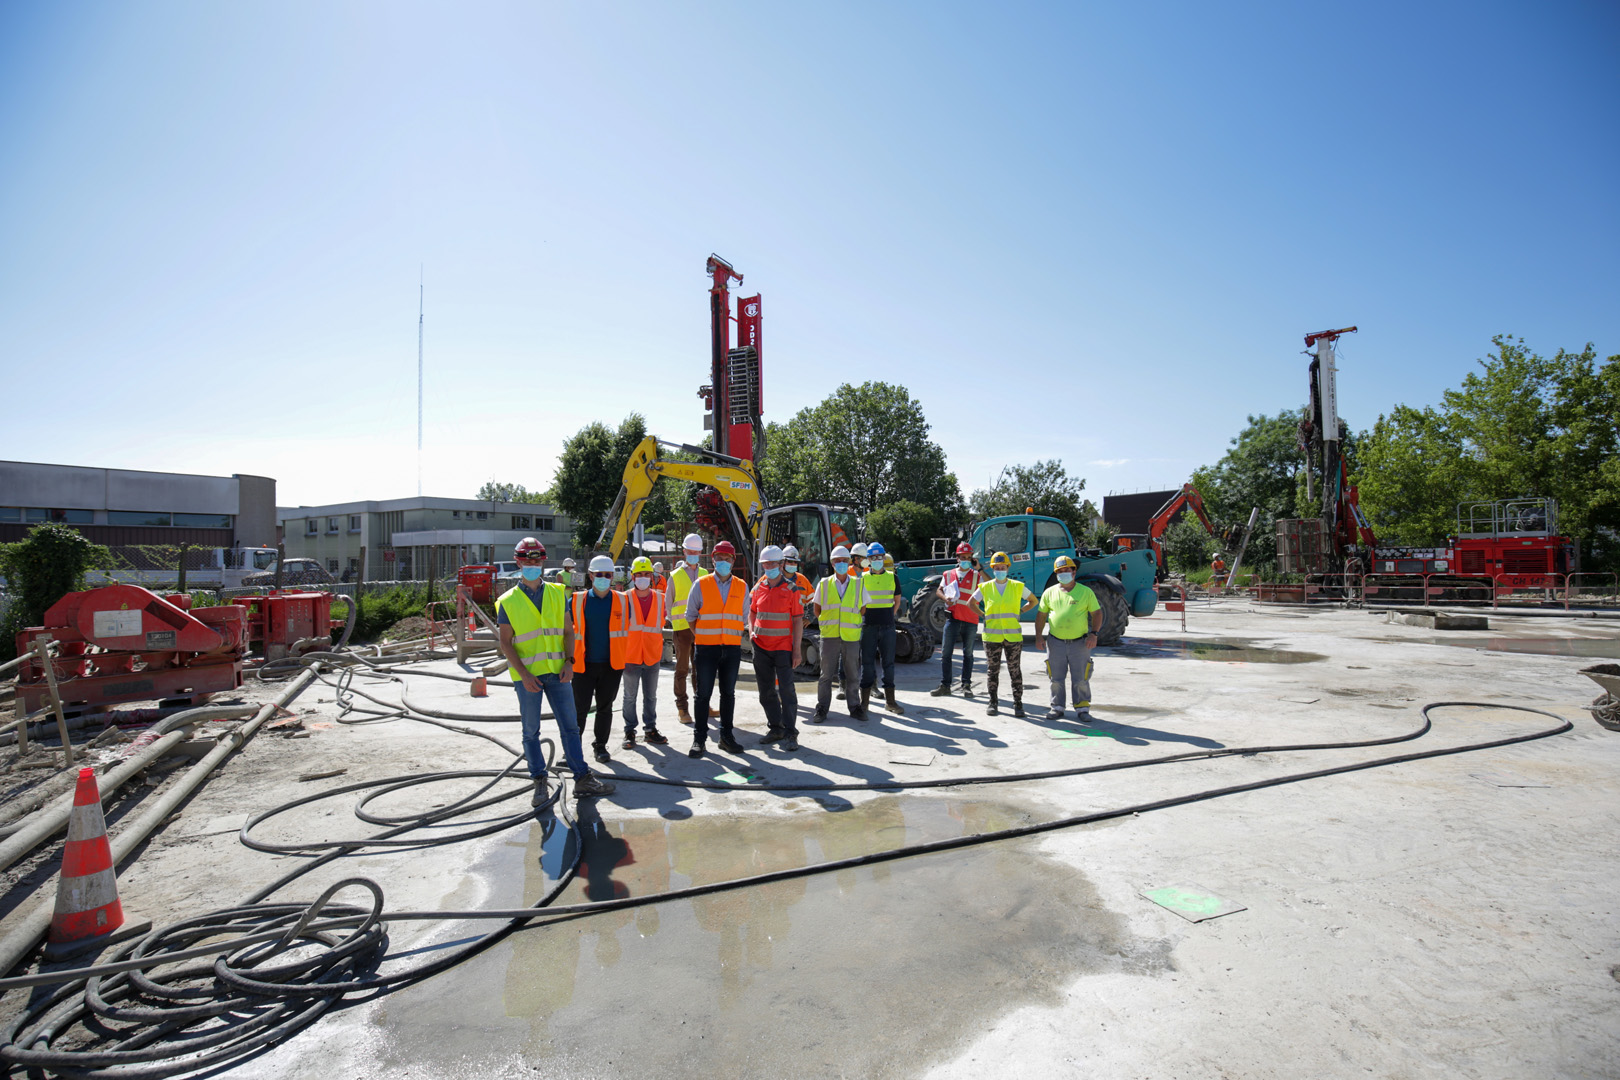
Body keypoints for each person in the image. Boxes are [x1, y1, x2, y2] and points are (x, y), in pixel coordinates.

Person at [494, 538, 614, 802]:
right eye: (527, 561)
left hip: (558, 672)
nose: (532, 565)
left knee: (570, 727)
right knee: (530, 731)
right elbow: (505, 642)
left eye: (536, 561)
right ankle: (539, 780)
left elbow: (569, 632)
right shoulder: (508, 601)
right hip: (528, 677)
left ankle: (581, 777)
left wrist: (570, 662)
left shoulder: (557, 593)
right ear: (518, 562)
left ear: (543, 561)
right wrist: (524, 675)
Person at [685, 539, 746, 757]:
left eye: (726, 558)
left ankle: (726, 737)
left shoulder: (741, 586)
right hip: (706, 649)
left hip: (731, 649)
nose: (722, 561)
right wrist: (702, 636)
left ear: (733, 560)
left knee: (728, 694)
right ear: (712, 560)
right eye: (718, 558)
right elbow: (690, 616)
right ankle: (699, 739)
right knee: (703, 695)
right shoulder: (701, 584)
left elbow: (744, 618)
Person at [572, 554, 631, 764]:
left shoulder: (623, 601)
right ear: (590, 575)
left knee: (605, 707)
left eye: (608, 574)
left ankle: (600, 746)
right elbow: (567, 633)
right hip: (582, 665)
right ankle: (572, 750)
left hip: (611, 665)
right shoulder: (577, 600)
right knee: (579, 710)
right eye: (599, 575)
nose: (604, 578)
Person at [747, 544, 804, 751]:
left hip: (783, 648)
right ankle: (776, 728)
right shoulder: (759, 586)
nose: (769, 566)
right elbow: (752, 612)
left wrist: (796, 650)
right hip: (761, 647)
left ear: (781, 564)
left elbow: (798, 621)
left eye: (773, 563)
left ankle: (790, 733)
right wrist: (751, 631)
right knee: (766, 691)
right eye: (765, 564)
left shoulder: (791, 589)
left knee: (787, 691)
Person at [1033, 555, 1103, 722]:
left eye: (1066, 570)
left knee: (1081, 679)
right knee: (1056, 679)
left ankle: (1082, 708)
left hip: (1080, 643)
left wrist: (1094, 634)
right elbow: (1041, 616)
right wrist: (1038, 637)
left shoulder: (1086, 592)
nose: (1063, 573)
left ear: (1074, 571)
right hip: (1055, 642)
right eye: (1059, 571)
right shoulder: (1049, 593)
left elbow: (1097, 613)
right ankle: (1057, 707)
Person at [972, 551, 1037, 718]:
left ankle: (1018, 703)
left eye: (1003, 567)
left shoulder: (1017, 586)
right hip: (992, 637)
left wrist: (1021, 610)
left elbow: (1033, 601)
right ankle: (993, 702)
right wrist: (982, 614)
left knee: (1014, 670)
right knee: (992, 671)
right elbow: (970, 602)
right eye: (997, 567)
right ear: (993, 569)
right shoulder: (986, 587)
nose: (1000, 570)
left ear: (1008, 567)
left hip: (1013, 637)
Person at [621, 556, 670, 749]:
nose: (642, 578)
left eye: (646, 574)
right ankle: (629, 731)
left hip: (651, 654)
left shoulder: (660, 598)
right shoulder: (624, 598)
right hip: (630, 655)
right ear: (633, 577)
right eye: (639, 574)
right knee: (629, 696)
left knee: (651, 696)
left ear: (651, 576)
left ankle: (650, 729)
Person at [812, 544, 864, 723]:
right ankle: (822, 709)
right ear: (832, 564)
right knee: (825, 675)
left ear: (849, 562)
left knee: (853, 674)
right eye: (837, 561)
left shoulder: (858, 583)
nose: (841, 563)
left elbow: (863, 609)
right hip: (830, 636)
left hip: (851, 637)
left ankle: (855, 707)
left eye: (844, 560)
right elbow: (816, 609)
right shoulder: (824, 584)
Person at [858, 541, 905, 716]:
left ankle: (890, 702)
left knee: (888, 664)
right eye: (873, 557)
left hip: (887, 626)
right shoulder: (862, 579)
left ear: (883, 558)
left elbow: (897, 601)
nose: (877, 560)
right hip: (868, 626)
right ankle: (864, 704)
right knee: (867, 664)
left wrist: (888, 617)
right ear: (868, 560)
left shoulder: (893, 577)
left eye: (879, 557)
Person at [664, 534, 707, 726]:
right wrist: (674, 624)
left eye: (697, 552)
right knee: (682, 670)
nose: (694, 555)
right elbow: (668, 604)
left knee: (701, 670)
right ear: (684, 552)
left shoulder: (706, 573)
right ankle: (682, 708)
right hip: (682, 630)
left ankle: (702, 706)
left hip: (702, 630)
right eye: (690, 552)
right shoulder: (675, 576)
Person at [931, 541, 982, 698]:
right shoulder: (948, 574)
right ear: (957, 558)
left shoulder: (977, 576)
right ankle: (945, 685)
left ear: (972, 558)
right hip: (952, 618)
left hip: (970, 619)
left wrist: (979, 568)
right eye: (963, 557)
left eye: (969, 557)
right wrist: (945, 598)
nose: (966, 559)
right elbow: (939, 590)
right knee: (946, 653)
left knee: (968, 654)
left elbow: (988, 587)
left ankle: (966, 685)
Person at [782, 545, 814, 609]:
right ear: (782, 561)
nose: (793, 564)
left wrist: (806, 618)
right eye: (790, 561)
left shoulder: (803, 579)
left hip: (799, 618)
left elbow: (812, 603)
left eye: (795, 562)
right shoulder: (771, 579)